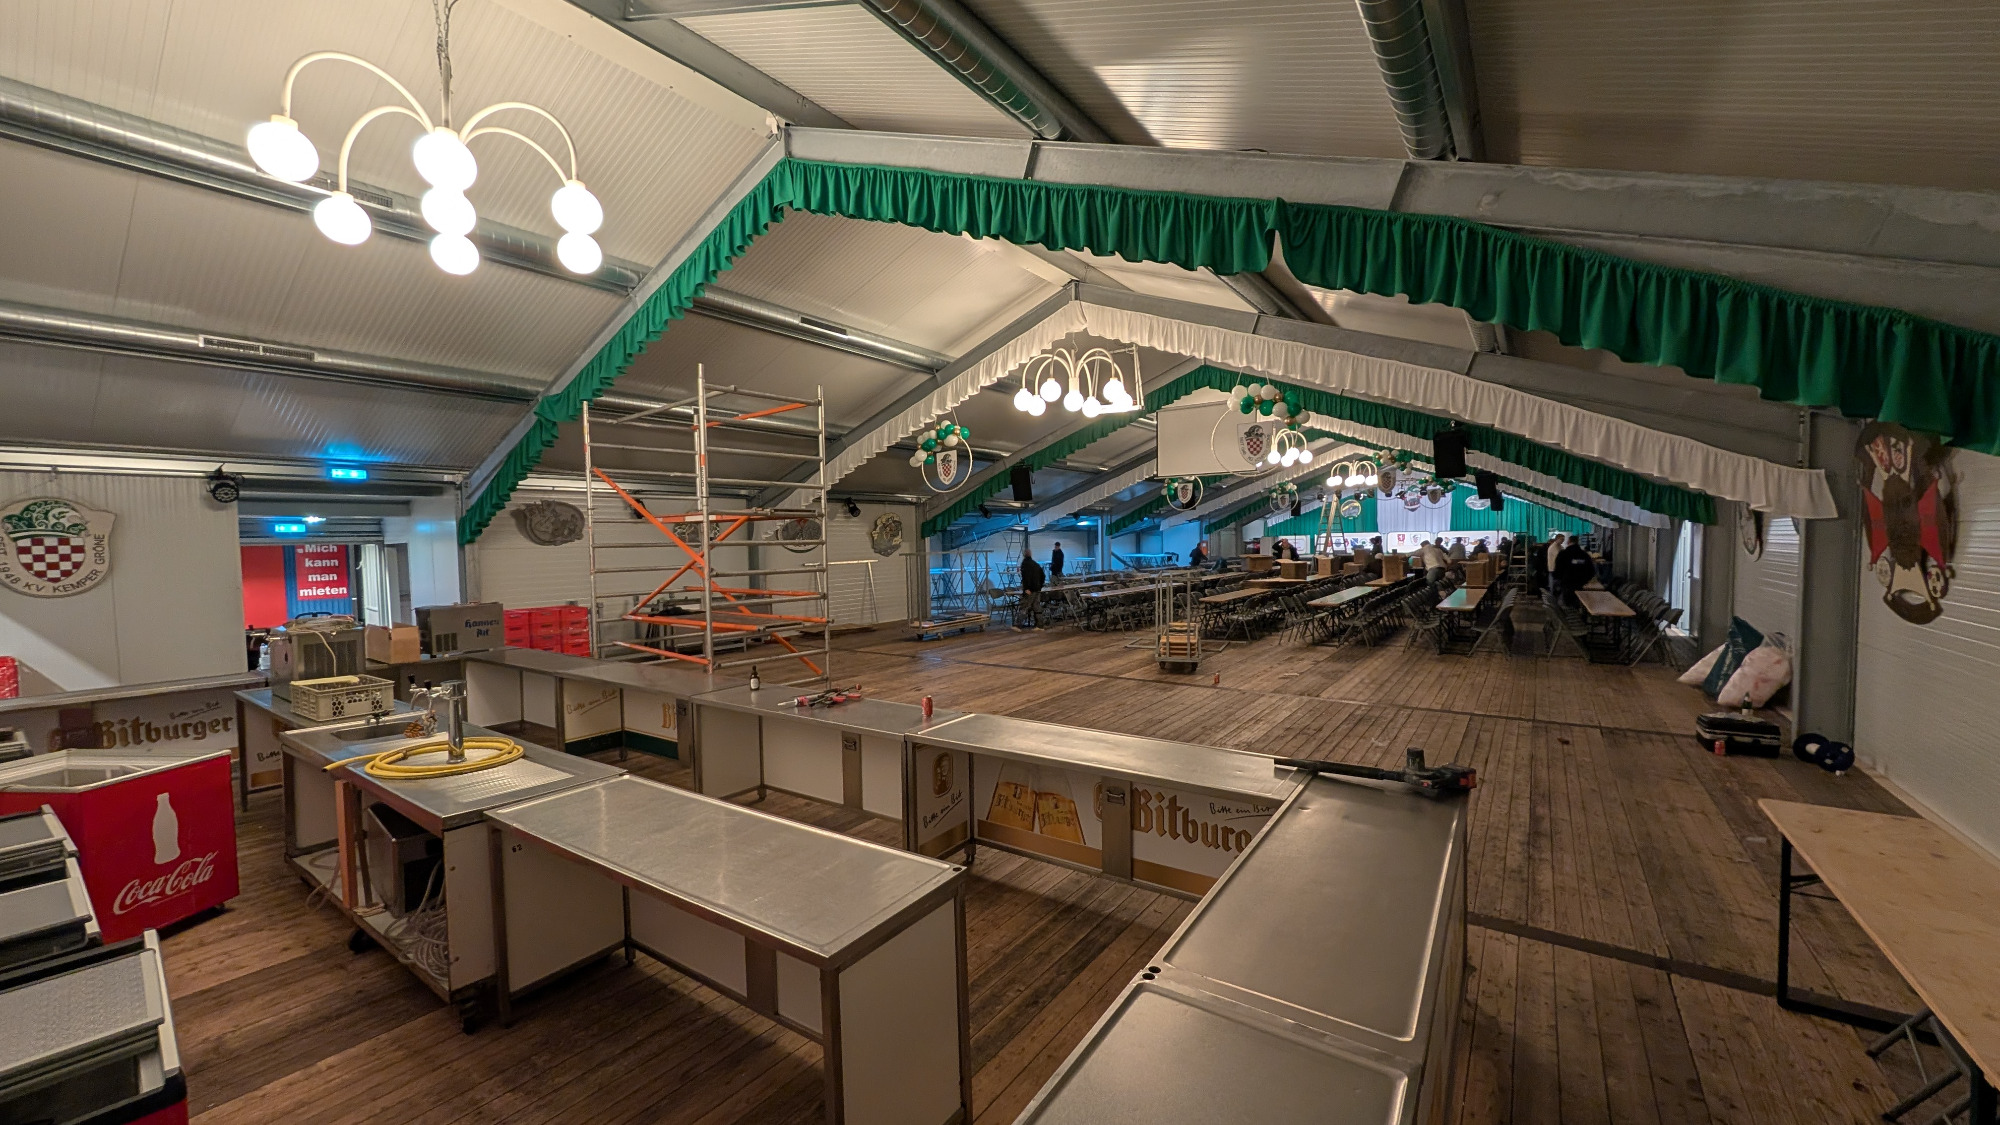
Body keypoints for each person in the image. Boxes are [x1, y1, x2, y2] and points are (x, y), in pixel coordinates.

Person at [1015, 554, 1045, 630]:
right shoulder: (1036, 564)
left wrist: (1026, 588)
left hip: (1030, 590)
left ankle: (1018, 625)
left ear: (1024, 556)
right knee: (1036, 607)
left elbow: (1026, 578)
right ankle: (1040, 625)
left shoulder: (1025, 565)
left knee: (1025, 606)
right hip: (1037, 589)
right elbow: (1043, 576)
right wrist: (1040, 586)